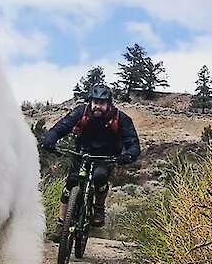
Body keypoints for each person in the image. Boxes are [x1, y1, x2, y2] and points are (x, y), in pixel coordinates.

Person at [41, 84, 141, 241]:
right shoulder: (82, 112)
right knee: (70, 184)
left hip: (106, 156)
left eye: (101, 103)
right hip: (83, 153)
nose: (97, 106)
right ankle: (62, 225)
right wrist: (50, 139)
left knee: (100, 177)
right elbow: (62, 127)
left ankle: (98, 208)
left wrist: (129, 155)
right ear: (91, 102)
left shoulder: (120, 118)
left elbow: (132, 142)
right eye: (95, 102)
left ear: (108, 104)